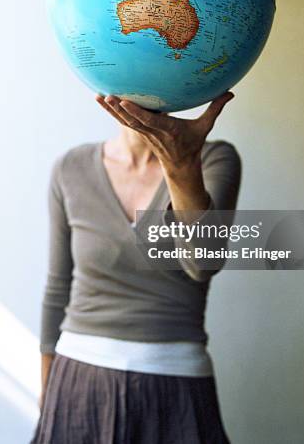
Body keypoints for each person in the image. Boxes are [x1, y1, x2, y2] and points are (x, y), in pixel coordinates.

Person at [30, 91, 241, 444]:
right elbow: (57, 288)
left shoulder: (214, 159)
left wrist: (182, 166)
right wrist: (47, 392)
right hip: (78, 378)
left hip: (174, 382)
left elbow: (202, 263)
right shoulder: (71, 167)